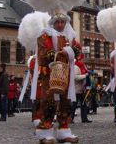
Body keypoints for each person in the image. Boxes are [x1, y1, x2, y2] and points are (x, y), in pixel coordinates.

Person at [33, 12, 81, 143]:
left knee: (66, 102)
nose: (60, 25)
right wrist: (60, 53)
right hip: (50, 74)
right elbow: (43, 55)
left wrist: (70, 51)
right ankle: (45, 131)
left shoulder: (70, 36)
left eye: (62, 22)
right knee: (49, 102)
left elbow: (78, 49)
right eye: (57, 22)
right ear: (52, 23)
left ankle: (63, 130)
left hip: (66, 74)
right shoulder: (44, 35)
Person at [71, 53, 92, 123]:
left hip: (82, 89)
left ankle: (84, 118)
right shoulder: (76, 67)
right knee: (74, 105)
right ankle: (70, 118)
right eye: (82, 59)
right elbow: (75, 77)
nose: (83, 60)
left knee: (83, 104)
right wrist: (85, 76)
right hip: (76, 89)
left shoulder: (82, 66)